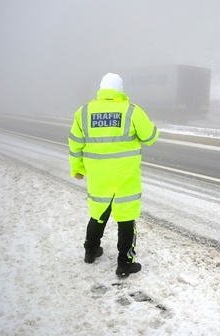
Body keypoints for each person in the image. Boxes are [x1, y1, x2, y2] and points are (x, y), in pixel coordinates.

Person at [68, 72, 159, 276]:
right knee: (126, 220)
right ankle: (125, 262)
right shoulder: (131, 111)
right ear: (120, 90)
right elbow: (151, 137)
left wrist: (77, 168)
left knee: (98, 215)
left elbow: (75, 144)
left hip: (99, 177)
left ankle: (90, 252)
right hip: (125, 178)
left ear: (101, 89)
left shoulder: (84, 112)